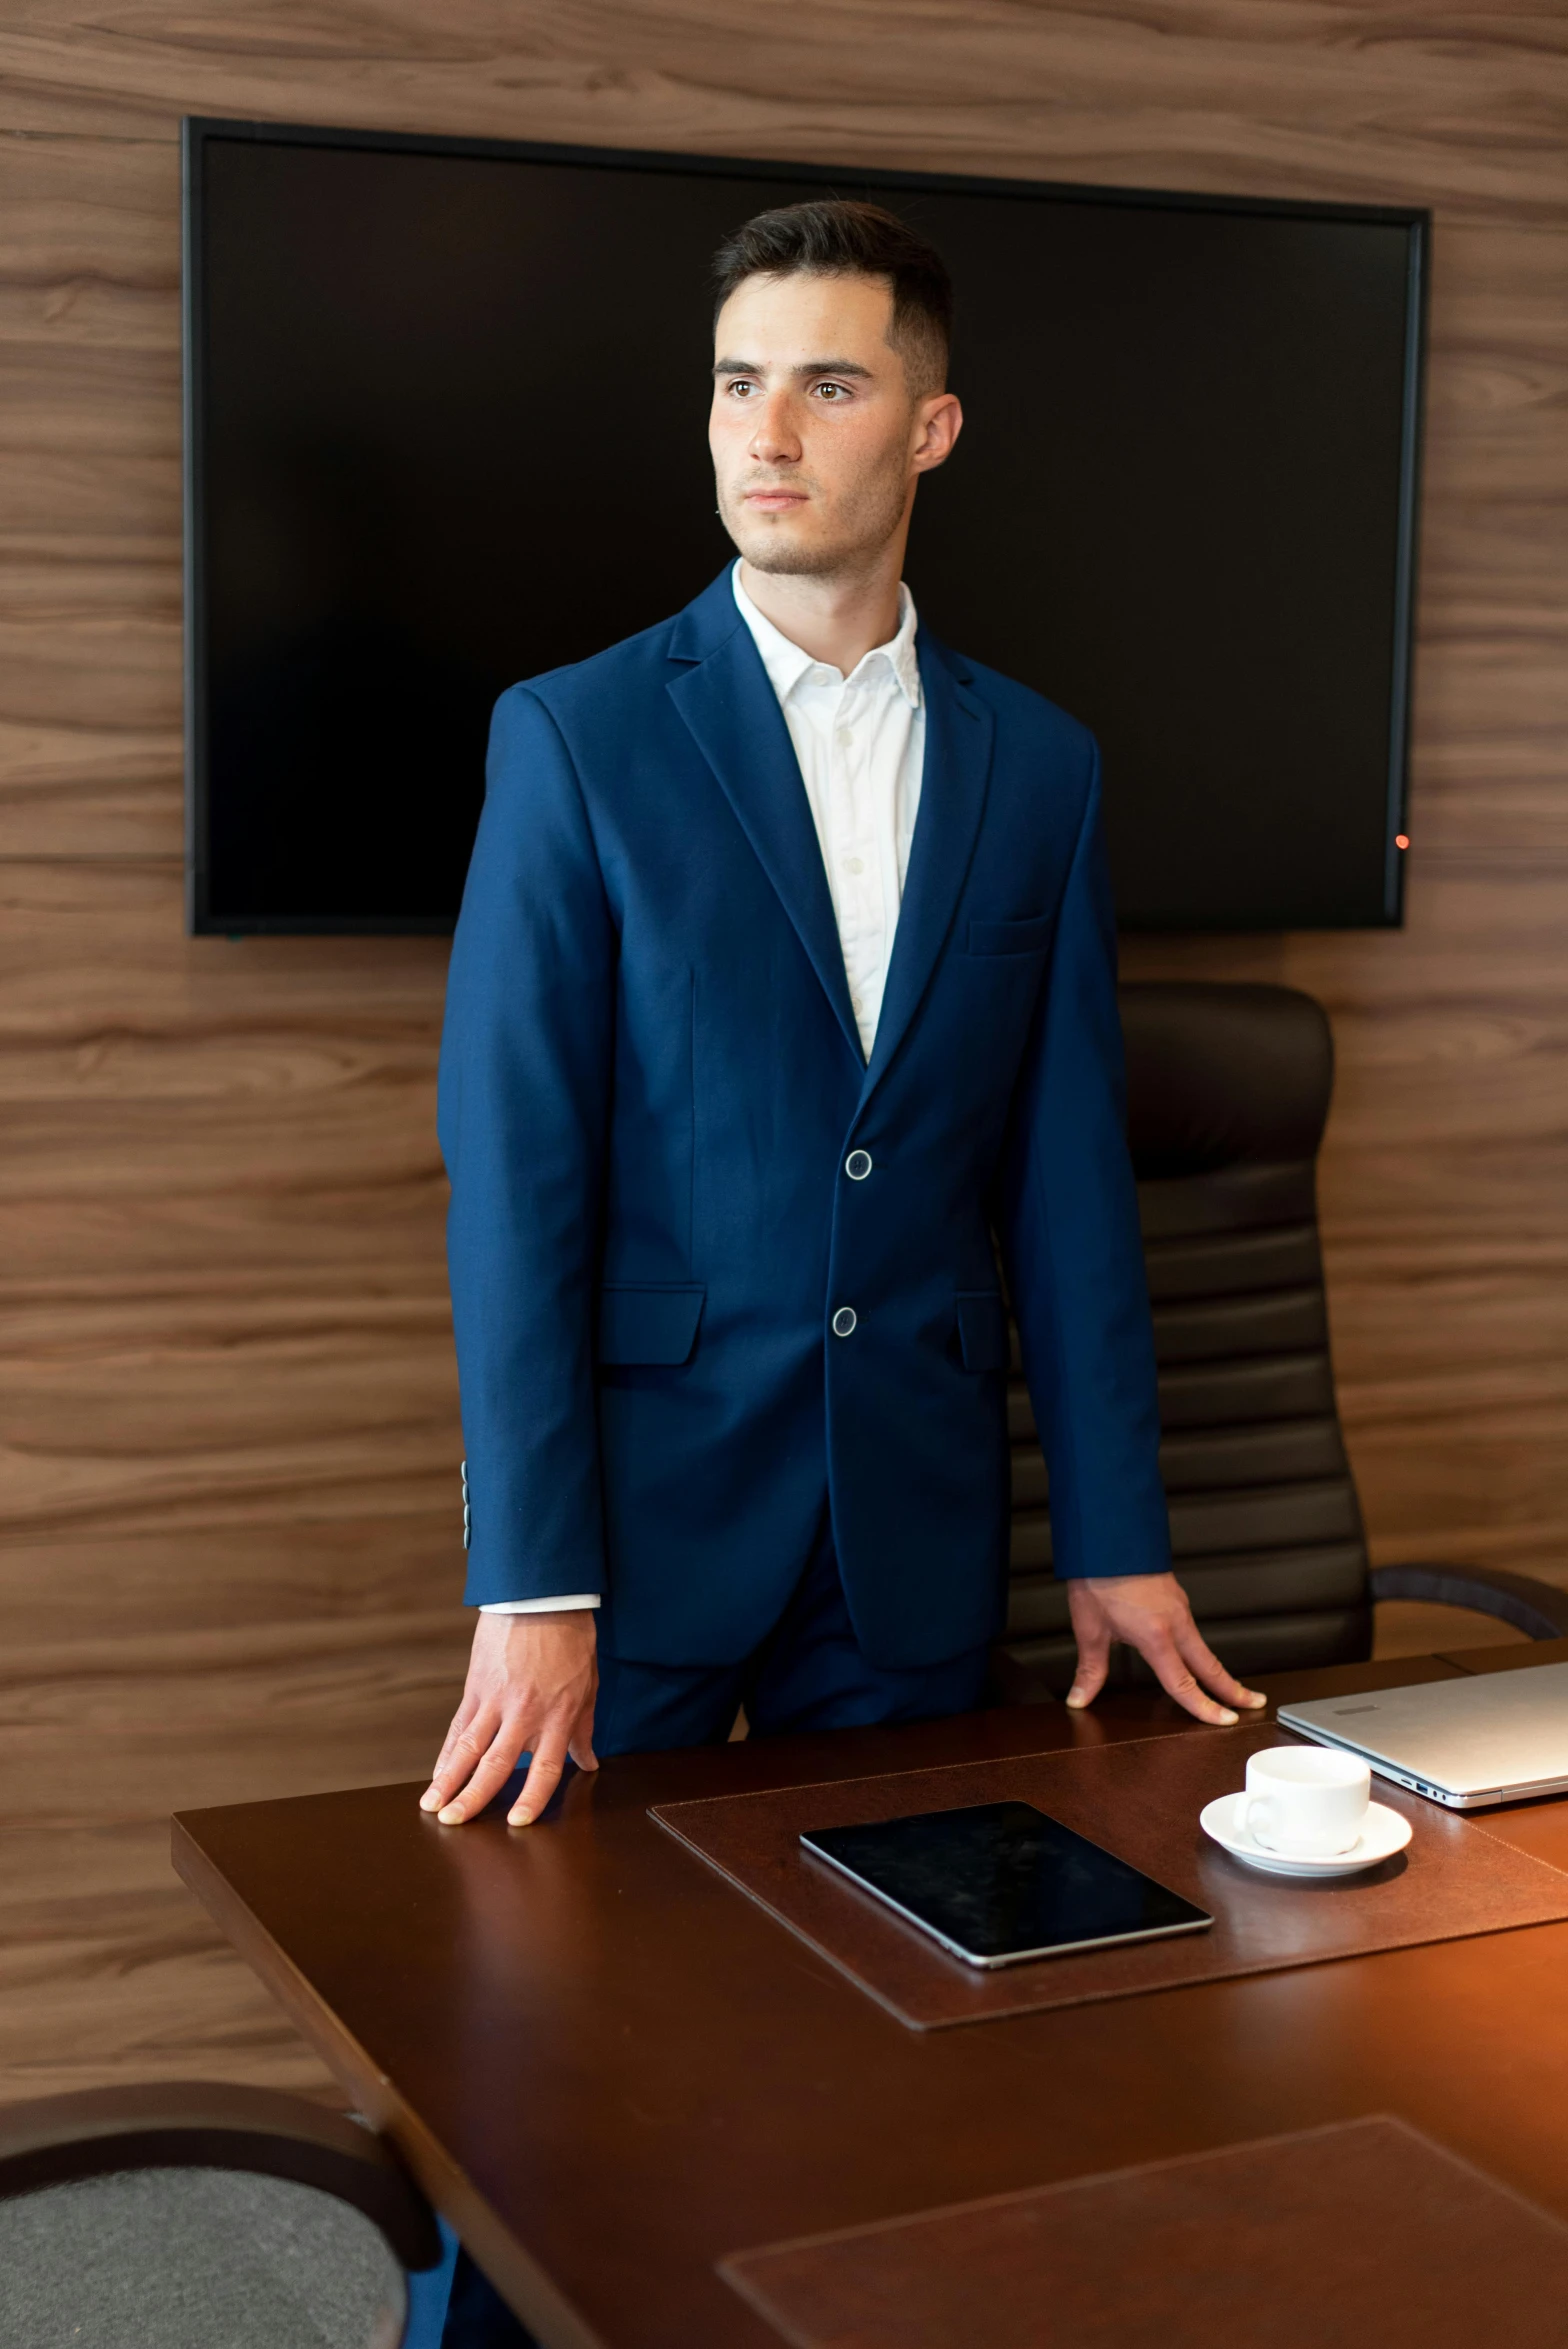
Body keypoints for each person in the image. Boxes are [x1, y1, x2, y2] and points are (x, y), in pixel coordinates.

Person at [423, 198, 1265, 2345]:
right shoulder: (579, 735)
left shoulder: (1038, 765)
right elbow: (513, 1180)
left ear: (935, 424)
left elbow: (1067, 1173)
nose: (765, 430)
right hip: (636, 1528)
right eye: (735, 380)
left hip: (905, 1519)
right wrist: (534, 1584)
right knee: (558, 2079)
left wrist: (1118, 1534)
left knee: (897, 2061)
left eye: (826, 380)